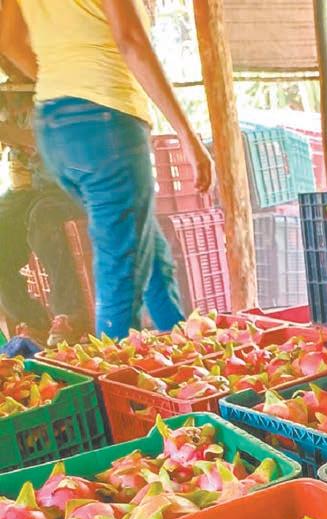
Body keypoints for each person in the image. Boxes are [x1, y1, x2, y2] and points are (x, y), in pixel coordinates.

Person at [0, 0, 214, 341]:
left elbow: (8, 39)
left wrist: (60, 82)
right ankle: (113, 364)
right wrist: (186, 134)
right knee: (121, 276)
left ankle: (181, 343)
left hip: (56, 125)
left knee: (145, 249)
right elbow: (131, 39)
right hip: (106, 121)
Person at [0, 69, 88, 344]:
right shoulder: (8, 95)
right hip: (34, 188)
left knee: (44, 217)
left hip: (72, 185)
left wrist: (11, 133)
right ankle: (33, 320)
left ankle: (69, 313)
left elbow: (51, 141)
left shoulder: (59, 87)